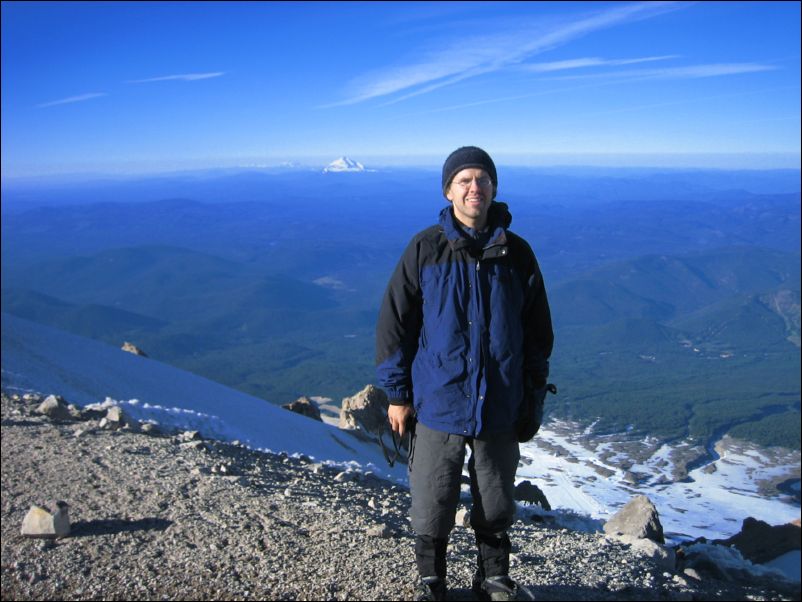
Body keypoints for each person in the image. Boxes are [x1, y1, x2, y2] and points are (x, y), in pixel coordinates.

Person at [375, 146, 554, 601]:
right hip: (440, 399)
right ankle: (431, 580)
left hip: (498, 401)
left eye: (483, 179)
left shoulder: (517, 254)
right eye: (465, 180)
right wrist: (397, 395)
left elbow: (537, 332)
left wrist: (532, 392)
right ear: (448, 189)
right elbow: (395, 324)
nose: (475, 187)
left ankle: (492, 578)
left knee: (495, 500)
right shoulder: (426, 249)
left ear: (494, 187)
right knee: (433, 498)